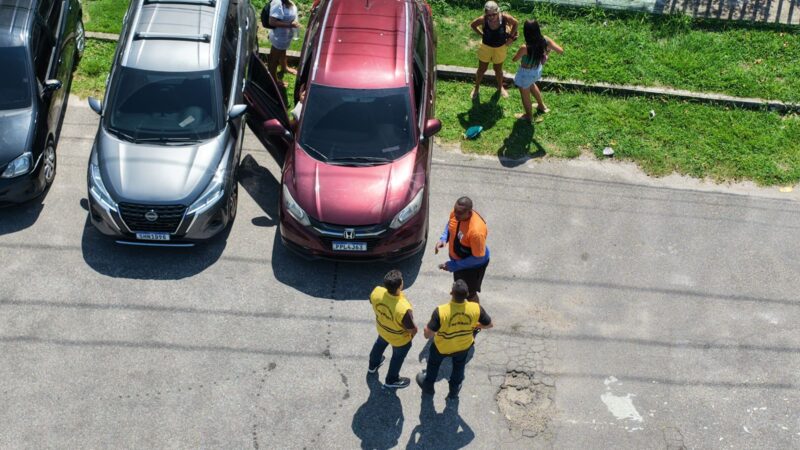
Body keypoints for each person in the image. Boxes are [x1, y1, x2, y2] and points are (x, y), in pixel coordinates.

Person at [416, 280, 493, 399]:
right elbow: (489, 325)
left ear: (451, 293)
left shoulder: (441, 311)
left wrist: (427, 330)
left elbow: (428, 334)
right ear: (467, 294)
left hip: (442, 347)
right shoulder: (476, 308)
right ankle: (453, 391)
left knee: (433, 364)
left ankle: (428, 387)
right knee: (459, 366)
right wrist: (476, 325)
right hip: (463, 346)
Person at [368, 269, 418, 389]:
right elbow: (412, 329)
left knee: (379, 345)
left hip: (382, 329)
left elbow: (371, 301)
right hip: (399, 339)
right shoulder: (403, 308)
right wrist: (410, 337)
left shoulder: (377, 292)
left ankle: (372, 365)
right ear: (400, 285)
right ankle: (391, 380)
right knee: (397, 358)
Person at [435, 197, 489, 303]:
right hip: (459, 263)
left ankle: (477, 315)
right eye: (455, 211)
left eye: (459, 213)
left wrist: (454, 266)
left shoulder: (476, 232)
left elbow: (478, 258)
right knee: (459, 289)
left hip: (472, 267)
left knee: (469, 293)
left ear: (469, 213)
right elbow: (450, 224)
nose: (455, 215)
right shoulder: (457, 214)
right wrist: (444, 238)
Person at [512, 19, 564, 121]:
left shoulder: (525, 47)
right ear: (537, 29)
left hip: (525, 73)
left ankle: (529, 116)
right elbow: (560, 51)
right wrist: (547, 52)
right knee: (531, 84)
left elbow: (514, 59)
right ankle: (542, 106)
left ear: (526, 32)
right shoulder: (545, 40)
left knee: (525, 95)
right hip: (537, 70)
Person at [469, 1, 518, 99]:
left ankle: (500, 88)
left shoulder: (504, 18)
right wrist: (481, 34)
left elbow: (516, 23)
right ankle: (476, 88)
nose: (491, 17)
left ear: (498, 11)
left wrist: (511, 38)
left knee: (498, 70)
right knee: (482, 69)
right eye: (489, 15)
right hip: (486, 47)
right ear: (485, 13)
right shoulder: (483, 19)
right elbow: (473, 25)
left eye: (494, 14)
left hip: (500, 48)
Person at [266, 0, 299, 81]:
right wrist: (290, 25)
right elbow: (272, 22)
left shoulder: (287, 1)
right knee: (273, 59)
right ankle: (273, 80)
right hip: (279, 37)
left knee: (283, 52)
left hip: (285, 36)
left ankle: (284, 68)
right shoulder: (277, 2)